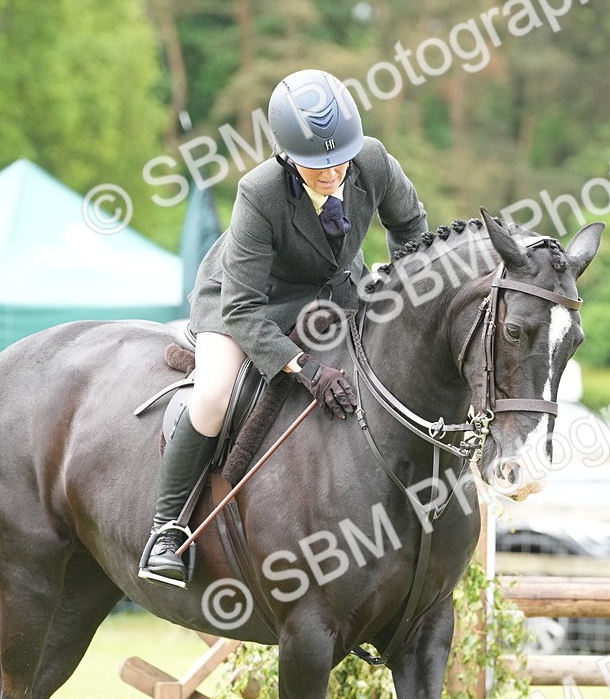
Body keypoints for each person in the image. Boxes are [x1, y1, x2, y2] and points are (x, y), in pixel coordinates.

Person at [141, 69, 429, 585]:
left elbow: (410, 227)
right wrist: (306, 370)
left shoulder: (372, 160)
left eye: (339, 159)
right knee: (212, 395)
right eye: (317, 166)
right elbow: (242, 309)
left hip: (335, 295)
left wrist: (405, 292)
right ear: (287, 157)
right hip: (250, 301)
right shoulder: (260, 192)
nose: (332, 174)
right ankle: (166, 531)